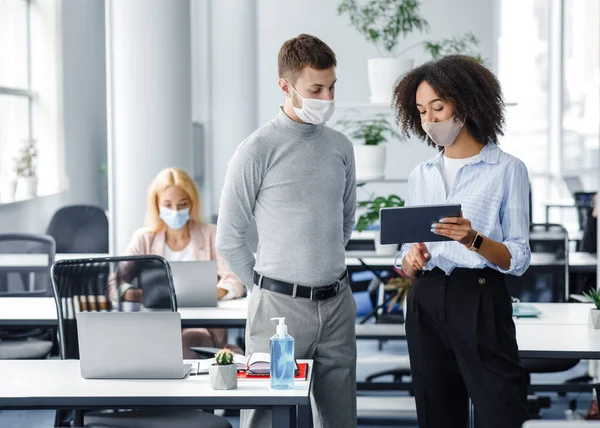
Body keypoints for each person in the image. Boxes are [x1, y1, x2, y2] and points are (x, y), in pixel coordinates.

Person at [216, 34, 357, 428]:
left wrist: (320, 266)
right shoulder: (256, 150)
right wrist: (264, 289)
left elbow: (344, 220)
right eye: (316, 89)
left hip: (336, 302)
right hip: (277, 306)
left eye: (331, 87)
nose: (326, 97)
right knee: (266, 418)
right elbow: (229, 235)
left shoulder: (341, 147)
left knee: (340, 417)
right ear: (286, 86)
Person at [393, 55, 531, 428]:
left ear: (467, 103)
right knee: (436, 413)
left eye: (438, 108)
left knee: (501, 410)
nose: (429, 120)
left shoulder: (507, 170)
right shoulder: (421, 175)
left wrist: (473, 239)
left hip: (480, 296)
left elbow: (517, 257)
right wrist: (412, 259)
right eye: (421, 111)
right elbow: (403, 256)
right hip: (426, 298)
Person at [108, 167, 244, 358]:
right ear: (156, 205)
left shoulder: (211, 234)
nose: (175, 211)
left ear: (192, 204)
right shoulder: (145, 238)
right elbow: (115, 284)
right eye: (168, 205)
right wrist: (142, 295)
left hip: (203, 325)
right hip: (157, 324)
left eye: (182, 205)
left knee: (193, 339)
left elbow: (234, 281)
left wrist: (206, 295)